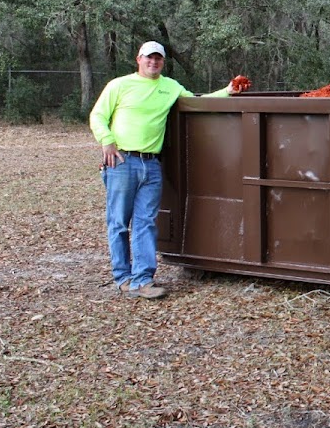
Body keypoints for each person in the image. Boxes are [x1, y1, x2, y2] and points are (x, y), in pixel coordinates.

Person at [89, 40, 243, 299]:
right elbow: (97, 116)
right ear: (138, 59)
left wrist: (227, 91)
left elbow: (197, 102)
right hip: (122, 162)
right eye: (149, 57)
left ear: (163, 61)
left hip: (151, 163)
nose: (153, 62)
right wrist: (106, 140)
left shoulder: (170, 87)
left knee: (146, 222)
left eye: (158, 58)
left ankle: (143, 280)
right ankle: (122, 277)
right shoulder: (119, 85)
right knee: (118, 223)